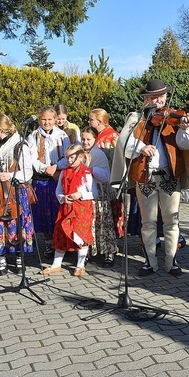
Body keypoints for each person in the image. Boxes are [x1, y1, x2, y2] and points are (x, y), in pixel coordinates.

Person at [111, 78, 189, 277]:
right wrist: (141, 147)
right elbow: (123, 144)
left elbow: (184, 145)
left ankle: (172, 262)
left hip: (170, 177)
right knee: (148, 223)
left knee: (172, 221)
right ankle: (150, 262)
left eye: (161, 97)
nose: (159, 101)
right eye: (154, 97)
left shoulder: (174, 118)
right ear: (146, 100)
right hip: (145, 177)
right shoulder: (136, 118)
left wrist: (185, 129)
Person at [0, 114, 36, 275]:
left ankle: (18, 259)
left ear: (0, 129)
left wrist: (9, 175)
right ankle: (1, 260)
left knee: (16, 225)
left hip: (14, 192)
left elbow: (28, 172)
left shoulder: (19, 145)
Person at [41, 144, 95, 277]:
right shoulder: (64, 173)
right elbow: (59, 189)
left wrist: (80, 195)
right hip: (66, 207)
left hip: (81, 209)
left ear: (81, 157)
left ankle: (80, 265)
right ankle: (56, 264)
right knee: (61, 234)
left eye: (72, 157)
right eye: (67, 158)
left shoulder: (86, 173)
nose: (69, 160)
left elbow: (94, 192)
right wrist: (62, 197)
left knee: (80, 234)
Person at [26, 106, 70, 255]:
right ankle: (48, 244)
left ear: (55, 119)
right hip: (41, 179)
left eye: (50, 119)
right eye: (43, 119)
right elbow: (31, 158)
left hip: (58, 177)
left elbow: (68, 156)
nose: (46, 122)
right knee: (44, 214)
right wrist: (45, 169)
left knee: (59, 212)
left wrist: (56, 167)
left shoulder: (62, 135)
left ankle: (62, 243)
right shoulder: (33, 136)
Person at [81, 126, 121, 267]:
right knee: (87, 224)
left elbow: (105, 175)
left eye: (88, 139)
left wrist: (91, 170)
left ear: (94, 139)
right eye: (83, 139)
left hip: (99, 194)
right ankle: (87, 252)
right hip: (85, 195)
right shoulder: (79, 152)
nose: (85, 142)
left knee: (103, 223)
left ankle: (109, 252)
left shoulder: (98, 155)